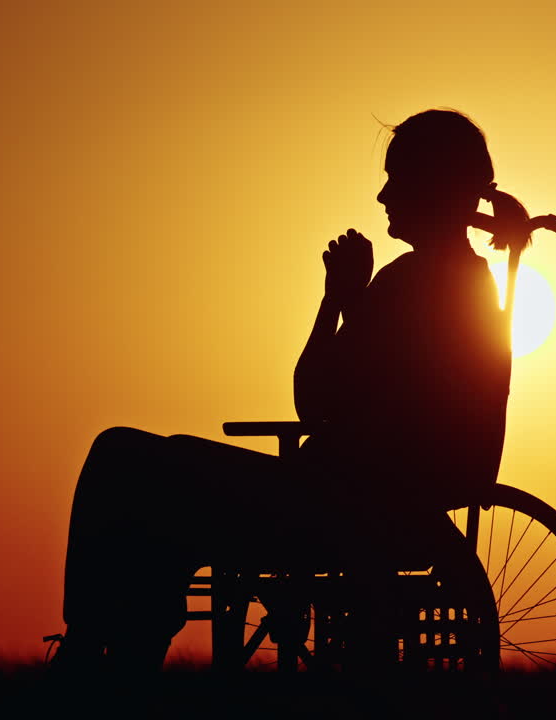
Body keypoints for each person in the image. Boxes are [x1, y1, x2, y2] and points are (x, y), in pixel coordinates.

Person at [53, 109, 512, 672]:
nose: (383, 195)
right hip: (359, 501)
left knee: (124, 457)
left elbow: (314, 400)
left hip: (340, 509)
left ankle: (94, 650)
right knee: (155, 473)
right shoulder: (455, 284)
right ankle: (120, 655)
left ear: (429, 187)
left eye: (396, 179)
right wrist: (351, 304)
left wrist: (337, 299)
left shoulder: (414, 285)